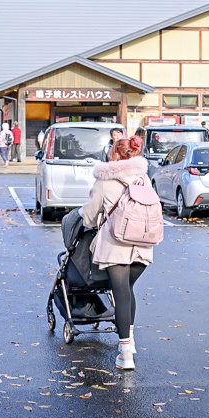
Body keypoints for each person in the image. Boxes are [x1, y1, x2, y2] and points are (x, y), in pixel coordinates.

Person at [80, 137, 152, 371]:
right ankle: (130, 344)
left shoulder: (105, 179)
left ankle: (125, 354)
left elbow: (90, 214)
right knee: (127, 292)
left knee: (120, 294)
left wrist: (87, 220)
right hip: (143, 242)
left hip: (116, 246)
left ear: (114, 154)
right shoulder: (143, 177)